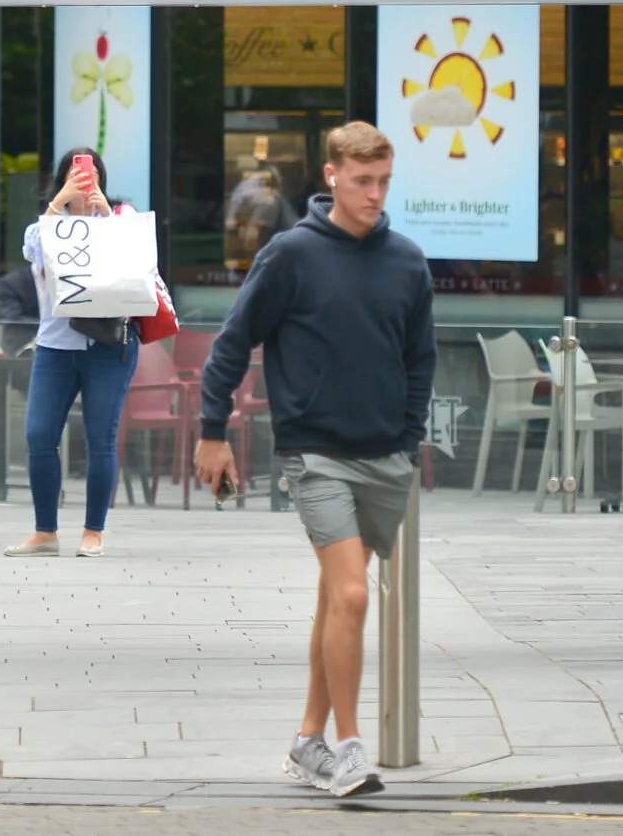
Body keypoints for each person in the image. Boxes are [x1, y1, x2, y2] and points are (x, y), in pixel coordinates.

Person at [195, 121, 433, 800]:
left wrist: (409, 433)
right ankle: (350, 748)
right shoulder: (290, 254)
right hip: (314, 453)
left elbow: (420, 357)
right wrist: (213, 430)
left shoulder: (408, 260)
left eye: (384, 181)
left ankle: (307, 740)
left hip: (385, 454)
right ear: (331, 175)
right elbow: (232, 342)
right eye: (363, 180)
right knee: (354, 593)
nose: (375, 194)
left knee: (338, 597)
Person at [3, 149, 138, 561]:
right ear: (62, 179)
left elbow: (136, 267)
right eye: (76, 173)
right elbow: (36, 252)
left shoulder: (123, 220)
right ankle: (45, 531)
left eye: (93, 172)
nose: (85, 179)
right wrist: (59, 204)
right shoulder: (43, 228)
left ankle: (93, 531)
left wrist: (105, 217)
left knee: (100, 438)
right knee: (39, 436)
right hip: (55, 346)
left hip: (108, 346)